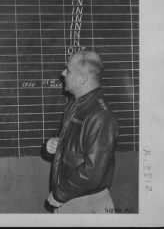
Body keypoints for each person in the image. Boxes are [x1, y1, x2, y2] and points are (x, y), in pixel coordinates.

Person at [43, 50, 119, 213]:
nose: (63, 73)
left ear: (82, 78)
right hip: (72, 198)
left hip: (86, 204)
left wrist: (59, 194)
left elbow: (92, 173)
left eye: (68, 70)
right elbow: (74, 152)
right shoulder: (75, 106)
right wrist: (53, 146)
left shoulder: (100, 116)